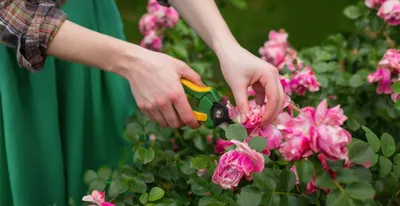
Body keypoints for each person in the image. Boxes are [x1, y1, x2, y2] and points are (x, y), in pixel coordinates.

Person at [0, 0, 284, 205]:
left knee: (108, 176)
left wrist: (227, 46)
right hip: (19, 58)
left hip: (92, 30)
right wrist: (132, 63)